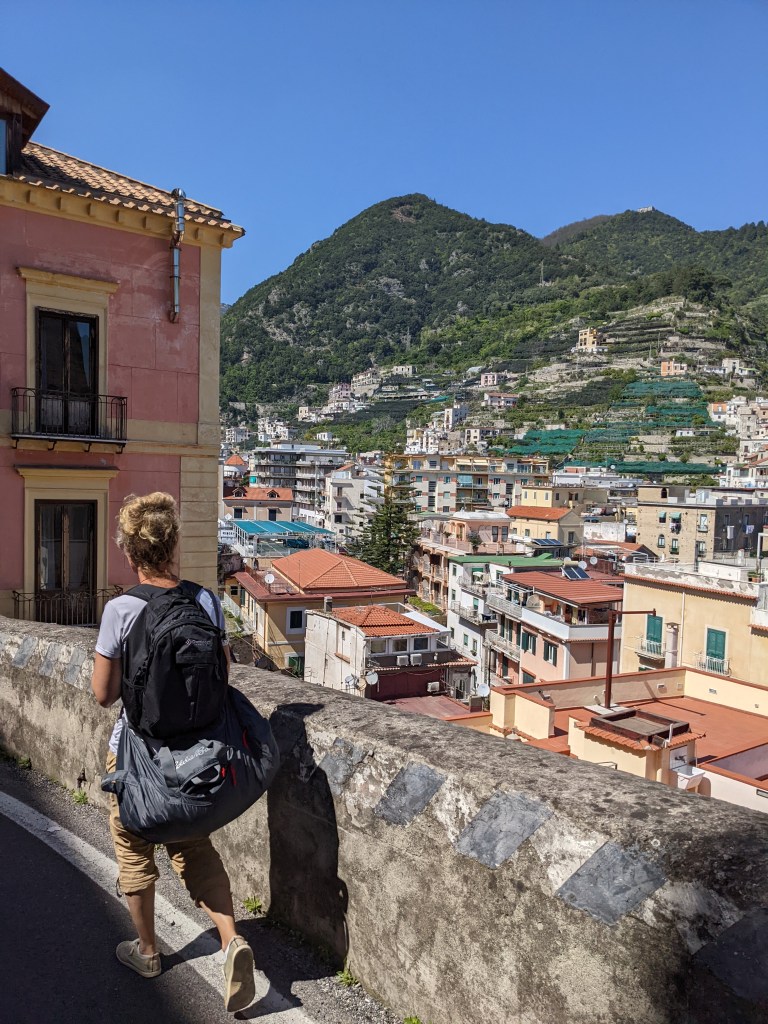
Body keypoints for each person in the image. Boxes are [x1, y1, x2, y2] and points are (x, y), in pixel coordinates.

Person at [91, 492, 256, 1013]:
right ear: (174, 545)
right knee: (193, 844)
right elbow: (223, 676)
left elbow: (103, 694)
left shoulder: (121, 609)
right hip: (198, 756)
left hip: (139, 757)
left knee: (133, 846)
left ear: (129, 551)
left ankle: (147, 952)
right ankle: (232, 940)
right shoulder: (204, 601)